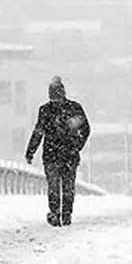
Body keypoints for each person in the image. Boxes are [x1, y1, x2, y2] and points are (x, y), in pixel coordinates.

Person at [24, 76, 90, 227]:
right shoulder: (70, 109)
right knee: (58, 186)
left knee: (65, 186)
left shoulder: (57, 110)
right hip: (59, 155)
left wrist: (76, 147)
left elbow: (85, 129)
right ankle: (56, 213)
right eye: (53, 98)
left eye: (57, 97)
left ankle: (65, 214)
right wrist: (30, 151)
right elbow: (38, 132)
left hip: (60, 154)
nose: (56, 101)